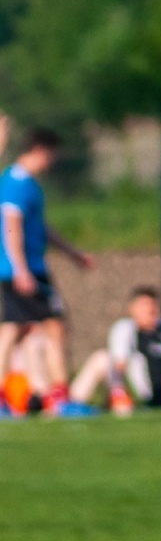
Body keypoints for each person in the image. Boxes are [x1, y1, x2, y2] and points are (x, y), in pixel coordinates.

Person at [0, 126, 95, 417]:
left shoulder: (28, 184)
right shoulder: (17, 182)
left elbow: (39, 228)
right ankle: (59, 399)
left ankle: (23, 399)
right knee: (50, 326)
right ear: (41, 151)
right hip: (23, 270)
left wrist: (72, 253)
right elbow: (10, 224)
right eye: (52, 155)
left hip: (24, 268)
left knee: (16, 329)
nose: (52, 161)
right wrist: (20, 269)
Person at [69, 285, 161, 415]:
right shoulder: (126, 328)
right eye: (144, 305)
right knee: (101, 358)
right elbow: (119, 365)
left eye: (153, 304)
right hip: (141, 392)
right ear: (132, 309)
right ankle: (73, 403)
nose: (150, 309)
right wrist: (119, 394)